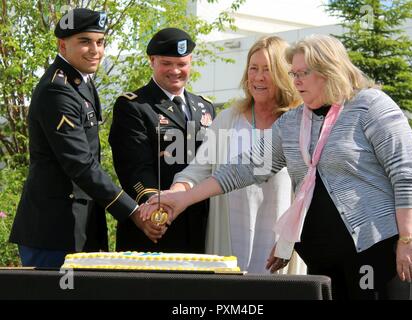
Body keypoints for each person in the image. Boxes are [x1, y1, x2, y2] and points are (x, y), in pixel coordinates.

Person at [145, 34, 412, 299]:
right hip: (328, 255)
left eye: (302, 73)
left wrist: (407, 238)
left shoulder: (370, 105)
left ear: (329, 70)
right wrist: (182, 198)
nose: (295, 81)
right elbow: (244, 168)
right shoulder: (295, 121)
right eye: (293, 74)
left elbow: (405, 172)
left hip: (382, 242)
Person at [9, 8, 149, 268]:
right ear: (63, 45)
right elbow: (81, 163)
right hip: (54, 230)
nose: (95, 50)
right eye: (84, 41)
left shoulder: (81, 81)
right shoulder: (57, 90)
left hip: (77, 225)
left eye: (100, 42)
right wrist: (132, 211)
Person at [169, 36, 305, 273]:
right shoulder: (229, 119)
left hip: (278, 246)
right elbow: (198, 169)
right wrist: (174, 195)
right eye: (253, 68)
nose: (258, 77)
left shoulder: (299, 122)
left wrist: (287, 243)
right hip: (230, 244)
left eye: (268, 70)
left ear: (285, 75)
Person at [109, 27, 215, 253]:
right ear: (152, 61)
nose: (175, 70)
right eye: (167, 63)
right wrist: (156, 206)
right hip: (154, 224)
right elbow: (134, 167)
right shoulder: (134, 106)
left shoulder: (205, 107)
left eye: (182, 63)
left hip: (200, 226)